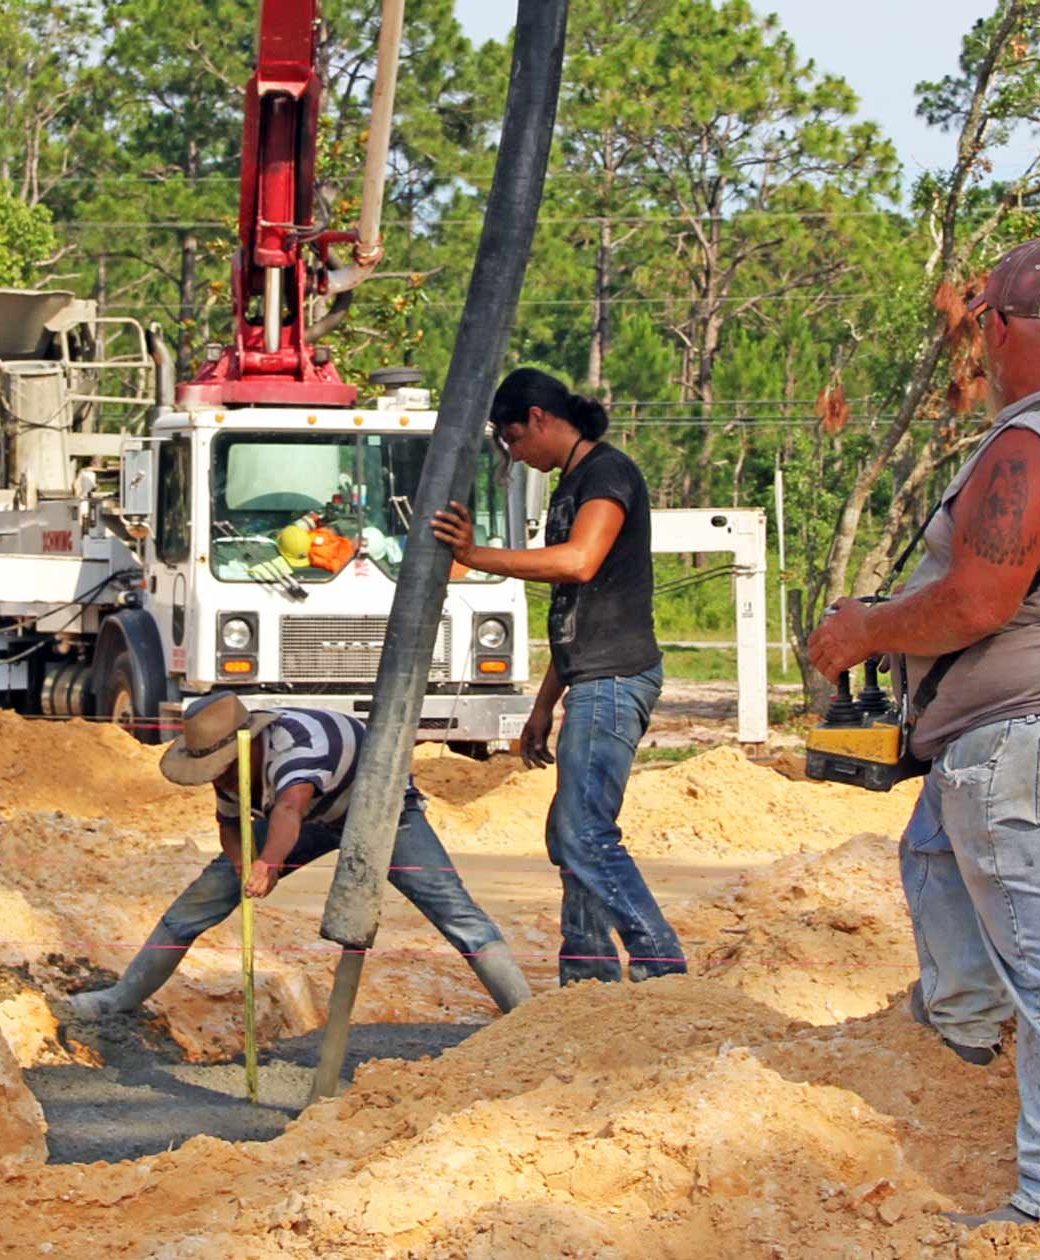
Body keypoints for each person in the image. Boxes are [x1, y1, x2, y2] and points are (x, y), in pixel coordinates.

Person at [807, 239, 1040, 1227]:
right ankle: (964, 1028)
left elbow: (976, 601)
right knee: (933, 840)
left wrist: (863, 631)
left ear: (1000, 330)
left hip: (1033, 740)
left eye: (977, 324)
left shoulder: (1025, 449)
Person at [432, 367, 685, 986]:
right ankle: (587, 978)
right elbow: (574, 613)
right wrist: (546, 702)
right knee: (571, 833)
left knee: (583, 833)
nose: (515, 454)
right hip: (590, 678)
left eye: (514, 439)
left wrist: (474, 557)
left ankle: (661, 963)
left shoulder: (607, 473)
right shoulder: (573, 482)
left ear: (540, 419)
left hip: (614, 679)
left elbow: (578, 562)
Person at [68, 691, 532, 1017]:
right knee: (201, 899)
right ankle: (121, 998)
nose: (219, 780)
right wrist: (240, 866)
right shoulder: (233, 769)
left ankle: (525, 1011)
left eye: (222, 770)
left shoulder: (297, 753)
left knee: (451, 907)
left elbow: (289, 810)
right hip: (312, 816)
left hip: (379, 806)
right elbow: (229, 823)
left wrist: (267, 866)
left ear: (246, 747)